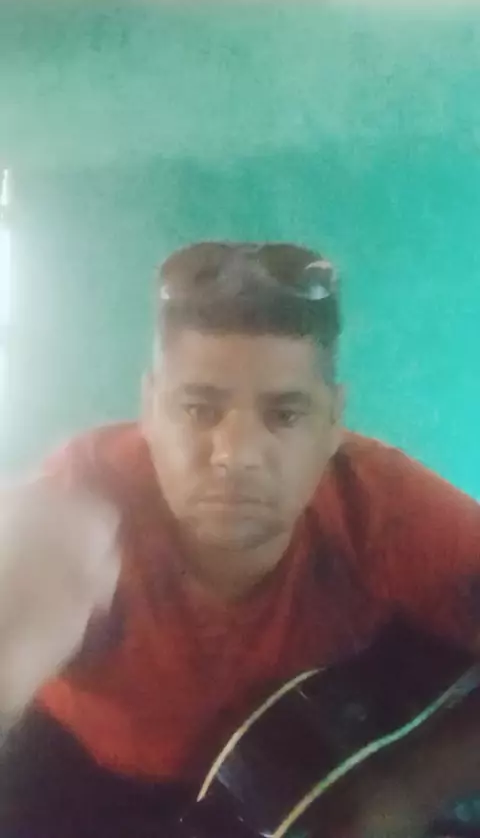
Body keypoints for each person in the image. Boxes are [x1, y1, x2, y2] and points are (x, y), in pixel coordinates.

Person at [1, 241, 480, 838]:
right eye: (199, 410)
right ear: (150, 410)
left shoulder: (379, 510)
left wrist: (408, 786)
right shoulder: (80, 503)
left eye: (285, 415)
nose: (237, 454)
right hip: (73, 778)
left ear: (334, 422)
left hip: (289, 791)